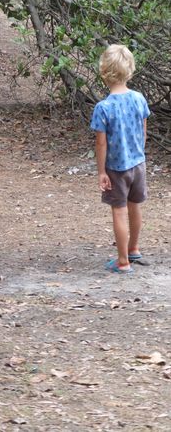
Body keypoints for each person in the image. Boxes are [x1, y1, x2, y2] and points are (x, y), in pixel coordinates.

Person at [90, 44, 150, 274]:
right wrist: (138, 155)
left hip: (117, 168)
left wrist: (102, 171)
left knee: (119, 209)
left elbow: (101, 143)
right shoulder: (139, 99)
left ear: (103, 71)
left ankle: (123, 261)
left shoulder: (103, 108)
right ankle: (134, 248)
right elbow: (143, 132)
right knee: (135, 207)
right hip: (138, 164)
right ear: (130, 69)